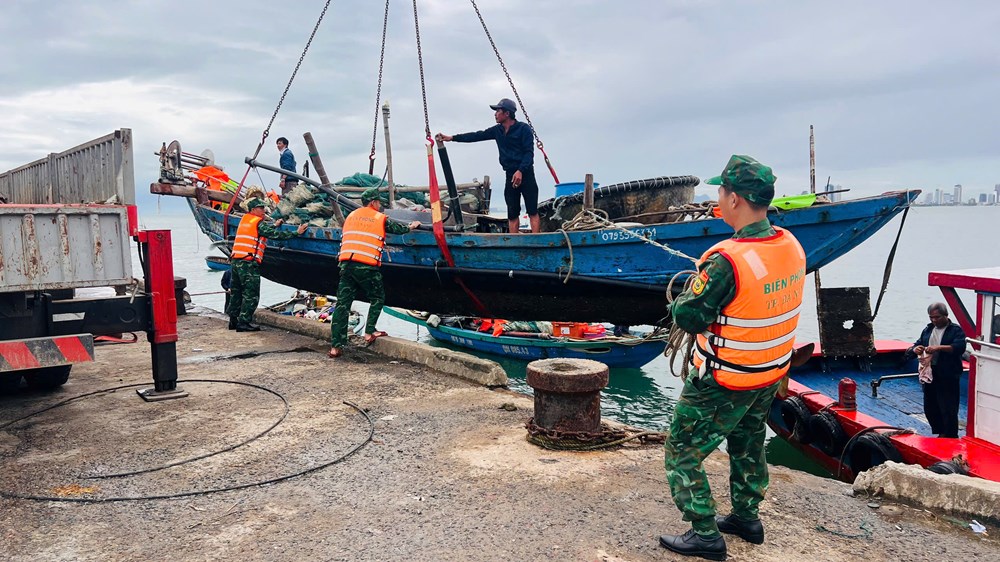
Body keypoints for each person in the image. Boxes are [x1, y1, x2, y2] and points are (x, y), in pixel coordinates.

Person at [660, 155, 806, 561]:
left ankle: (705, 534)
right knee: (748, 440)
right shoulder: (791, 246)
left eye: (721, 192)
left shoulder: (727, 261)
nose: (718, 199)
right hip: (769, 373)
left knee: (682, 450)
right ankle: (746, 517)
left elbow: (689, 317)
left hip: (724, 378)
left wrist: (686, 295)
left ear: (736, 199)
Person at [328, 188, 421, 358]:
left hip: (346, 265)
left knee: (342, 304)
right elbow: (398, 229)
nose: (380, 206)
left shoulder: (351, 215)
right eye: (378, 202)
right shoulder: (379, 217)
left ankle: (336, 346)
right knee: (377, 297)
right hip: (366, 266)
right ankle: (370, 331)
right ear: (373, 202)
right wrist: (412, 226)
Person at [436, 98, 539, 234]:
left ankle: (536, 240)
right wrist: (452, 138)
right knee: (512, 213)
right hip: (510, 175)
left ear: (507, 113)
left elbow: (529, 153)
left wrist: (520, 170)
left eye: (498, 111)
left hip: (526, 174)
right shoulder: (497, 131)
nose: (495, 114)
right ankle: (514, 241)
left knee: (532, 210)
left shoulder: (524, 129)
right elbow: (477, 135)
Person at [229, 198, 309, 332]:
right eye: (260, 208)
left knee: (236, 292)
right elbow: (275, 235)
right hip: (248, 263)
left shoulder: (245, 220)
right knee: (251, 294)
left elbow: (261, 231)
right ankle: (243, 322)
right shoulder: (258, 222)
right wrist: (296, 232)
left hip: (236, 261)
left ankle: (233, 321)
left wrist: (274, 225)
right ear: (253, 210)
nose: (264, 210)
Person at [907, 303, 966, 438]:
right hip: (930, 372)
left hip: (948, 373)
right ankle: (940, 431)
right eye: (931, 317)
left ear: (946, 315)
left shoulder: (955, 330)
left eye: (937, 317)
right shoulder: (928, 329)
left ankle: (950, 434)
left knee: (948, 406)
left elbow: (959, 347)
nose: (934, 320)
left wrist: (938, 348)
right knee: (930, 405)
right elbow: (918, 343)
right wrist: (916, 349)